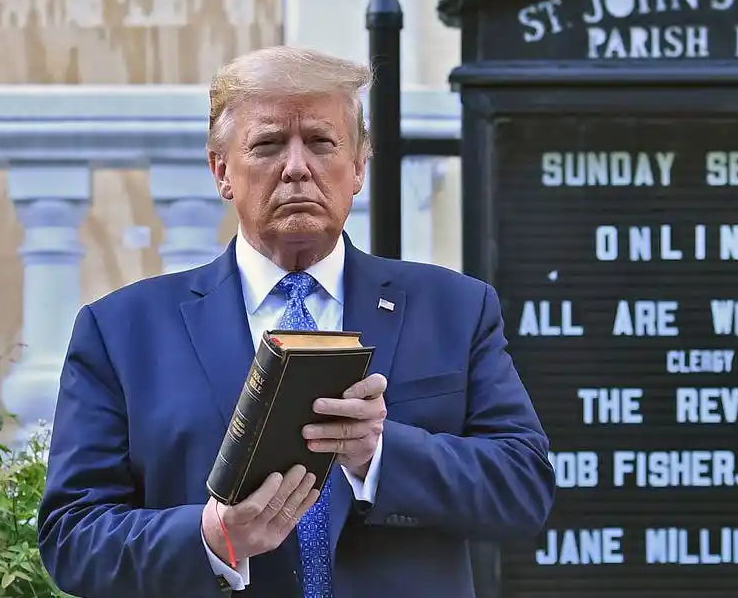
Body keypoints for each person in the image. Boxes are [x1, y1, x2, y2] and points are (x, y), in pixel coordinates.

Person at [36, 45, 556, 598]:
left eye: (320, 142)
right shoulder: (121, 332)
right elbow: (71, 538)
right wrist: (211, 538)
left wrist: (379, 453)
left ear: (358, 166)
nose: (296, 167)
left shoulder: (455, 309)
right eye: (266, 144)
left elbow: (523, 489)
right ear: (221, 171)